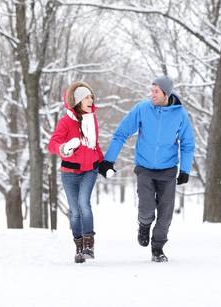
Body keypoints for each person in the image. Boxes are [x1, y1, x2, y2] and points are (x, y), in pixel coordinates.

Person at [99, 76, 195, 262]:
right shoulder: (142, 109)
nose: (152, 94)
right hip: (144, 167)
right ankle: (144, 225)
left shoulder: (180, 114)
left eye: (156, 91)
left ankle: (157, 248)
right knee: (146, 207)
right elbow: (121, 133)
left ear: (166, 93)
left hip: (168, 169)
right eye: (151, 90)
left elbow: (187, 144)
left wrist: (185, 170)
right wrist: (108, 160)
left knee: (166, 212)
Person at [48, 81, 103, 263]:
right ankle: (79, 248)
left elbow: (94, 146)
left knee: (84, 204)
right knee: (75, 212)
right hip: (69, 173)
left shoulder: (91, 119)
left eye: (91, 97)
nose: (91, 100)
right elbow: (52, 144)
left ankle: (89, 245)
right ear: (78, 101)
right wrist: (63, 148)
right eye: (87, 97)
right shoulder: (65, 122)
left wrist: (104, 163)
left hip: (89, 170)